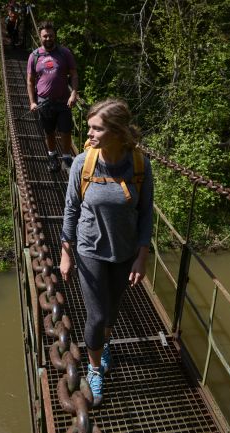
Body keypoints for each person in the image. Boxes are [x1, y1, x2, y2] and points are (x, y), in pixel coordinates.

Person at [59, 98, 154, 406]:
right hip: (90, 249)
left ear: (116, 132)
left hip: (124, 252)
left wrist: (142, 254)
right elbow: (71, 208)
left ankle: (104, 343)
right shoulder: (82, 163)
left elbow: (145, 213)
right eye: (89, 127)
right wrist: (66, 251)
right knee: (97, 315)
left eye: (96, 128)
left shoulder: (139, 164)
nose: (90, 133)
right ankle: (95, 368)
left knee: (112, 310)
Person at [27, 21, 79, 172]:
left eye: (50, 36)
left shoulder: (64, 53)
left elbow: (74, 75)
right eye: (45, 36)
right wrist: (32, 102)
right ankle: (52, 157)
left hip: (64, 101)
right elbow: (30, 81)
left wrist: (74, 93)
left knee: (66, 130)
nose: (48, 39)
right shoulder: (34, 56)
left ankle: (67, 158)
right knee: (49, 132)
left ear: (54, 36)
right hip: (44, 102)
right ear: (39, 37)